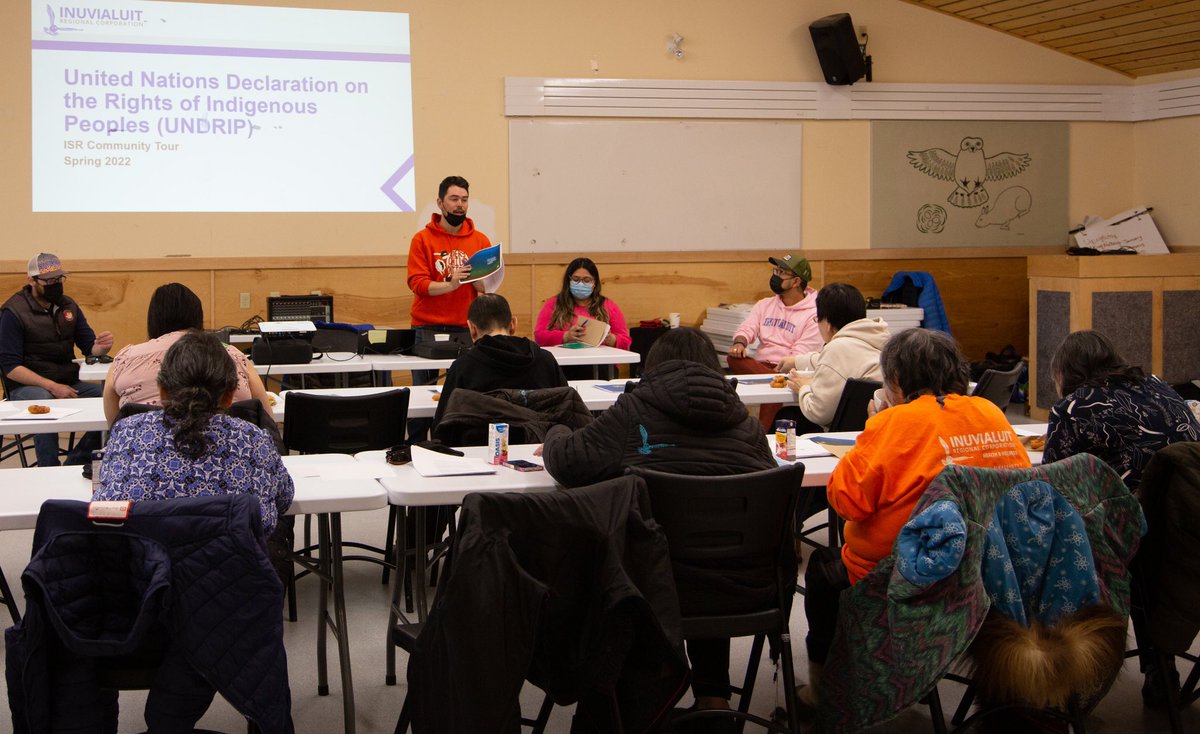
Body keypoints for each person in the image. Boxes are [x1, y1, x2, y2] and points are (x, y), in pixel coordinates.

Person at [541, 327, 775, 720]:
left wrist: (557, 430)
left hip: (645, 590)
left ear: (654, 367)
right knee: (710, 545)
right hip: (740, 588)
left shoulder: (633, 412)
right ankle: (714, 698)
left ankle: (634, 699)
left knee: (666, 553)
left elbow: (567, 461)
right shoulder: (748, 426)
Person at [801, 329, 1030, 708]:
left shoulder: (894, 422)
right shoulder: (990, 412)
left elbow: (847, 502)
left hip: (899, 575)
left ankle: (823, 692)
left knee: (822, 573)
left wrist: (869, 435)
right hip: (985, 573)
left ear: (895, 379)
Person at [1042, 329, 1200, 707]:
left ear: (1065, 372)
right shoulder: (1161, 387)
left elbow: (1052, 485)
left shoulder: (1073, 408)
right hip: (1188, 525)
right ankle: (1160, 669)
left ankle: (1056, 671)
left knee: (1051, 531)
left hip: (1134, 540)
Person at [95, 330, 293, 535]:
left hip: (145, 554)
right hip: (235, 554)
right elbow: (284, 498)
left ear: (162, 391)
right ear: (230, 395)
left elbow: (104, 506)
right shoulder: (255, 440)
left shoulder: (126, 434)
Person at [1043, 330, 1199, 493]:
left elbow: (1051, 481)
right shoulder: (1155, 382)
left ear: (1062, 374)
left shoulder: (1071, 407)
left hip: (1136, 504)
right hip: (1191, 494)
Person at [0, 253, 113, 466]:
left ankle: (76, 461)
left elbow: (89, 347)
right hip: (27, 387)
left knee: (111, 397)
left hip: (68, 381)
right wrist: (52, 386)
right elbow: (11, 368)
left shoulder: (68, 305)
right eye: (49, 281)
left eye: (59, 279)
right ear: (32, 281)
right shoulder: (13, 311)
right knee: (44, 401)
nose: (55, 284)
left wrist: (101, 347)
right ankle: (48, 467)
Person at [102, 283, 272, 424]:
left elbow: (114, 425)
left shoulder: (125, 359)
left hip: (143, 452)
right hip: (234, 451)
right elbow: (265, 417)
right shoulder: (232, 354)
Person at [406, 175, 494, 440]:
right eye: (454, 199)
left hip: (466, 327)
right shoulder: (422, 239)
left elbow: (488, 285)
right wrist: (451, 284)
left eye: (464, 200)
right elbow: (417, 284)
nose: (460, 205)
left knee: (463, 391)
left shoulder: (480, 241)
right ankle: (417, 445)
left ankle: (453, 441)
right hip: (427, 327)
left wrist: (481, 283)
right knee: (422, 392)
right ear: (440, 203)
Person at [431, 293, 568, 430]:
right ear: (513, 324)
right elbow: (568, 410)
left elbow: (442, 425)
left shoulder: (463, 367)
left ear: (472, 328)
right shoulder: (545, 360)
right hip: (540, 440)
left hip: (480, 442)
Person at [727, 253, 822, 430]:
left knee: (779, 383)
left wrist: (783, 369)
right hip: (762, 366)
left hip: (789, 367)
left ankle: (764, 430)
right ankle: (775, 381)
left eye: (782, 272)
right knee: (733, 358)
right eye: (776, 270)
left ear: (796, 281)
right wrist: (740, 343)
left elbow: (800, 354)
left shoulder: (814, 314)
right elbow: (748, 327)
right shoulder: (765, 304)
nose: (776, 276)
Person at [781, 283, 889, 430]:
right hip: (879, 429)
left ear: (827, 324)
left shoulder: (837, 348)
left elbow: (818, 412)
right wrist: (797, 361)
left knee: (788, 415)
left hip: (847, 433)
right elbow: (833, 361)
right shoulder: (881, 340)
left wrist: (804, 387)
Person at [534, 257, 631, 350]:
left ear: (594, 283)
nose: (581, 284)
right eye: (576, 279)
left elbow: (626, 342)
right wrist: (565, 336)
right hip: (564, 359)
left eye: (586, 280)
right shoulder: (554, 304)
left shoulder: (608, 306)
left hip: (598, 359)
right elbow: (539, 337)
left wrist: (612, 339)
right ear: (568, 281)